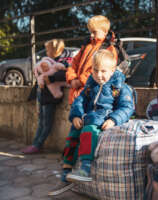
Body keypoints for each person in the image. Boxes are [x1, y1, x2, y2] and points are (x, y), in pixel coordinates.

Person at [48, 49, 135, 196]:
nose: (99, 75)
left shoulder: (120, 88)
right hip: (88, 117)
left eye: (103, 71)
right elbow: (79, 101)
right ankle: (66, 171)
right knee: (73, 134)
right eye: (95, 70)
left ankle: (85, 168)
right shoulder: (90, 85)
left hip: (101, 120)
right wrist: (76, 115)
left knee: (89, 131)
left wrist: (113, 120)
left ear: (113, 70)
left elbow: (127, 107)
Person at [22, 39, 69, 154]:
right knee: (41, 121)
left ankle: (37, 144)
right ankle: (35, 143)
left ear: (55, 50)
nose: (46, 52)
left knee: (46, 123)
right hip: (43, 97)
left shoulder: (62, 62)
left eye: (48, 49)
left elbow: (64, 74)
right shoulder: (46, 61)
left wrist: (50, 77)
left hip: (50, 98)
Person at [66, 15, 117, 105]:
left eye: (94, 32)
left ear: (105, 32)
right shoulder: (86, 46)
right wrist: (72, 78)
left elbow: (98, 70)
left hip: (92, 95)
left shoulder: (108, 49)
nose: (91, 35)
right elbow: (73, 63)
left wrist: (79, 81)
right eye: (90, 32)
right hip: (76, 94)